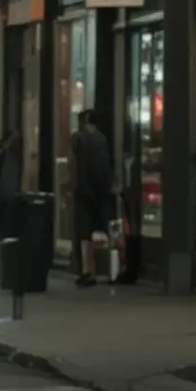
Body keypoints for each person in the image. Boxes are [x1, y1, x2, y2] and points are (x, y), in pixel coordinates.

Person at [70, 110, 117, 286]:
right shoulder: (102, 140)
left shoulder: (79, 139)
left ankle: (87, 270)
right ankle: (104, 269)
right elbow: (104, 167)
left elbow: (76, 167)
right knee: (100, 230)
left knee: (84, 234)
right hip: (100, 192)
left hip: (83, 191)